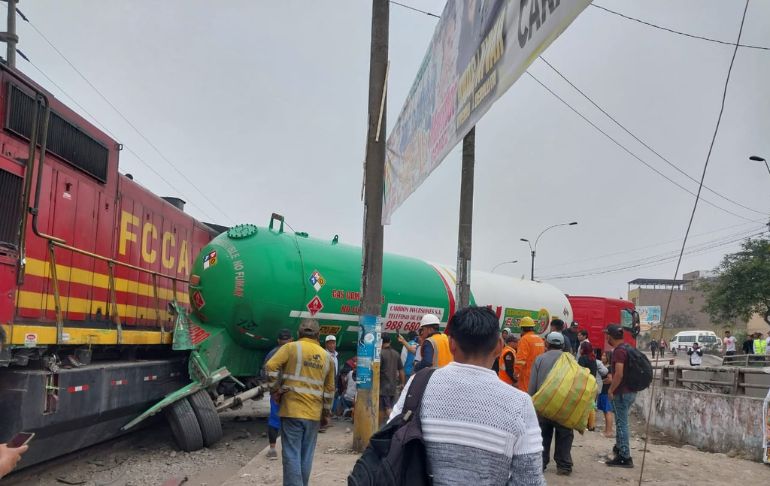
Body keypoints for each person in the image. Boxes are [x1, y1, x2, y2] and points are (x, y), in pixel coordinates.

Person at [390, 306, 545, 486]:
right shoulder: (520, 403)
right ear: (499, 347)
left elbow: (390, 443)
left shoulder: (417, 385)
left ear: (452, 344)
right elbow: (530, 480)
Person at [265, 319, 336, 486]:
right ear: (319, 335)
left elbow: (270, 366)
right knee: (306, 456)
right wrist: (326, 414)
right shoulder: (327, 358)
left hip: (291, 410)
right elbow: (330, 390)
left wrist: (275, 390)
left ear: (298, 334)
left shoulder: (291, 348)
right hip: (313, 413)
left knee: (291, 455)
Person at [529, 332, 574, 476]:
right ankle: (564, 465)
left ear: (547, 344)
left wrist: (532, 403)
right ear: (562, 345)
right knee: (565, 434)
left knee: (543, 434)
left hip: (543, 405)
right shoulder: (570, 360)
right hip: (564, 405)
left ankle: (541, 464)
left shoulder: (540, 359)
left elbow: (532, 386)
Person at [605, 325, 635, 468]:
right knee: (620, 422)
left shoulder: (618, 352)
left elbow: (619, 374)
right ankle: (619, 448)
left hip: (621, 393)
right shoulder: (627, 348)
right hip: (630, 391)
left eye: (607, 335)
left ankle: (624, 456)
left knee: (621, 424)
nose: (606, 338)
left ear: (610, 336)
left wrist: (611, 390)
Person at [262, 329, 294, 459]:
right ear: (291, 339)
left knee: (274, 419)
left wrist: (275, 389)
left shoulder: (271, 353)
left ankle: (272, 449)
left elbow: (265, 372)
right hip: (291, 392)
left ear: (278, 340)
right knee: (291, 420)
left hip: (276, 393)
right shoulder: (296, 352)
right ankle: (290, 450)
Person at [378, 334, 405, 423]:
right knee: (389, 408)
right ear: (390, 341)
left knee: (384, 409)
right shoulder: (396, 353)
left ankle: (392, 426)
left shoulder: (380, 353)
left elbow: (376, 370)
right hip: (393, 387)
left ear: (381, 342)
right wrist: (402, 383)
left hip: (383, 387)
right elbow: (401, 370)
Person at [515, 316, 545, 393]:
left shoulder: (524, 339)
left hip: (526, 374)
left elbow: (521, 359)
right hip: (538, 373)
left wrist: (516, 372)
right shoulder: (539, 339)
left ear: (522, 328)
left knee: (524, 394)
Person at [321, 335, 339, 429]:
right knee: (325, 402)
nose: (332, 345)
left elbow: (336, 371)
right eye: (330, 343)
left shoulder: (336, 355)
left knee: (330, 403)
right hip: (326, 383)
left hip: (333, 382)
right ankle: (324, 422)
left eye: (333, 343)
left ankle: (327, 420)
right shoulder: (323, 354)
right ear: (326, 344)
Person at [597, 351, 614, 438]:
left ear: (608, 357)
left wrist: (601, 382)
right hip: (602, 391)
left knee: (608, 411)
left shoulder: (609, 367)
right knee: (605, 411)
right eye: (602, 355)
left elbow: (610, 379)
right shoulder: (603, 367)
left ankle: (609, 431)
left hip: (606, 391)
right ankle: (606, 430)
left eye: (604, 355)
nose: (602, 357)